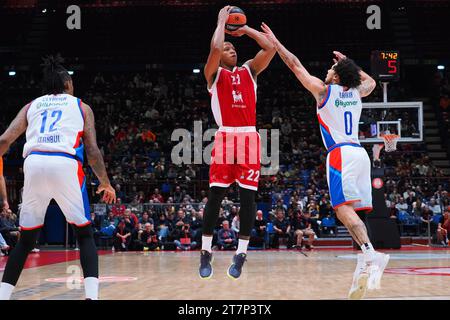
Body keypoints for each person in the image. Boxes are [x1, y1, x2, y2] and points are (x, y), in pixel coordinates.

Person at [261, 24, 389, 299]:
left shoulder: (323, 91)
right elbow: (372, 82)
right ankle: (365, 258)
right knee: (353, 211)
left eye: (332, 69)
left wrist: (276, 43)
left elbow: (295, 65)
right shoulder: (356, 92)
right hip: (360, 153)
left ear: (336, 76)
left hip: (341, 153)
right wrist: (348, 64)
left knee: (341, 209)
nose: (326, 71)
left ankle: (370, 253)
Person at [0, 56, 116, 300]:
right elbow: (92, 151)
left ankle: (2, 295)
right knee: (84, 234)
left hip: (33, 164)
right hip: (65, 163)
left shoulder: (31, 106)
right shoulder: (81, 106)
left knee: (26, 239)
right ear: (68, 84)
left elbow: (4, 140)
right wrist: (105, 182)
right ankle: (91, 297)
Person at [199, 6, 276, 280]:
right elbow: (215, 49)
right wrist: (221, 21)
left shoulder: (249, 71)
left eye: (234, 47)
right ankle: (206, 251)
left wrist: (245, 30)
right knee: (216, 196)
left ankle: (241, 254)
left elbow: (270, 49)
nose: (231, 49)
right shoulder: (213, 74)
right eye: (228, 47)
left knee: (248, 199)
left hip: (248, 137)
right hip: (225, 136)